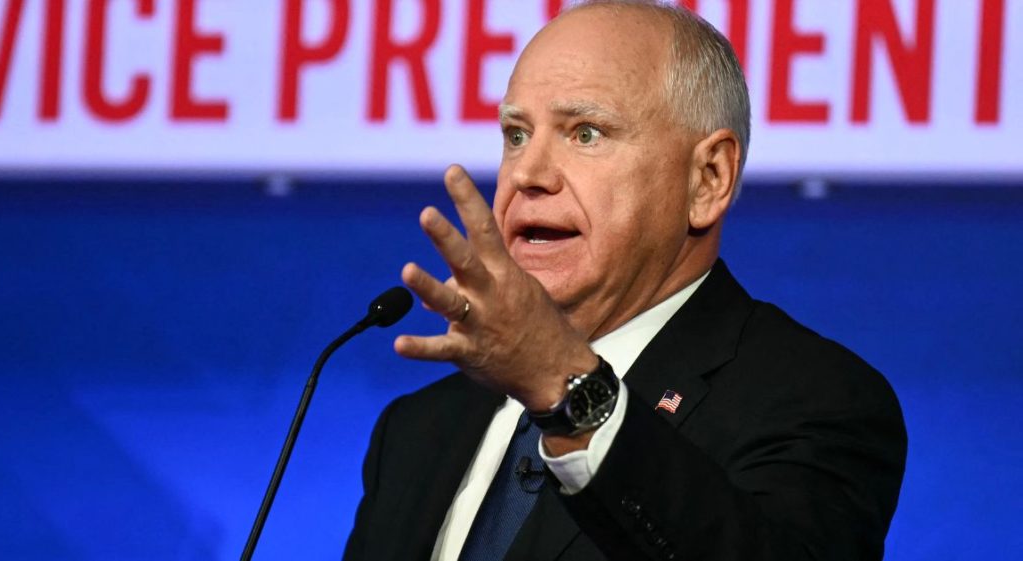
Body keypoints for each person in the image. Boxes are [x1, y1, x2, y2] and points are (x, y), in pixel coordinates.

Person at [344, 1, 906, 560]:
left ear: (708, 178)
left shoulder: (815, 400)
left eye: (585, 133)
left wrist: (564, 391)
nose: (528, 175)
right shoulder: (417, 430)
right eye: (516, 134)